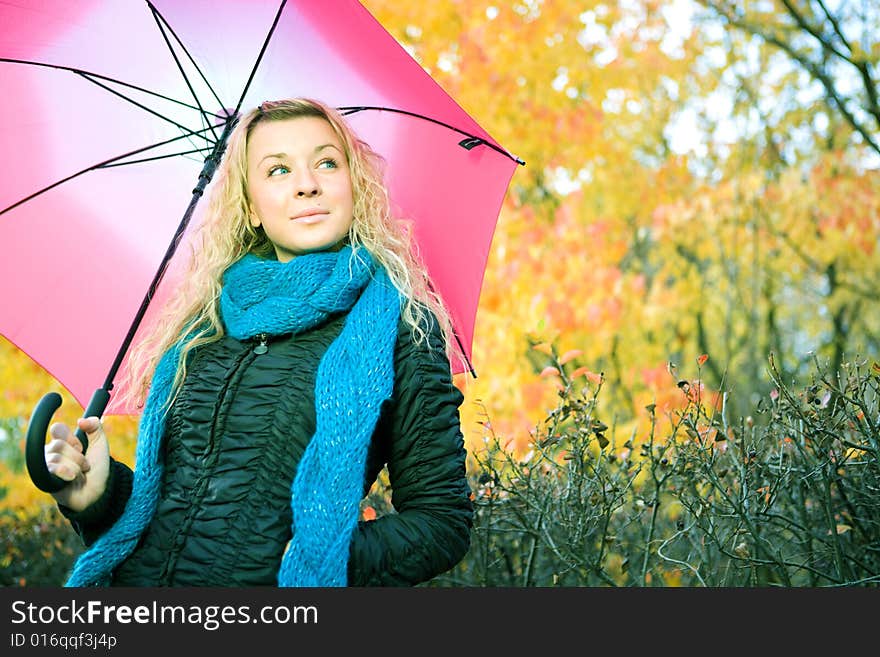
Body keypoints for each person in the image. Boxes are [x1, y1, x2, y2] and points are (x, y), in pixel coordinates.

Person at [43, 98, 474, 587]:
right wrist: (98, 496)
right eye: (277, 170)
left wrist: (320, 555)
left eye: (327, 163)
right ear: (249, 207)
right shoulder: (203, 325)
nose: (306, 184)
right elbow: (173, 514)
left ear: (355, 185)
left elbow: (442, 524)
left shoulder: (401, 328)